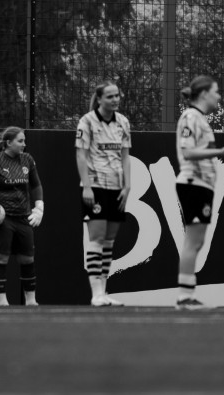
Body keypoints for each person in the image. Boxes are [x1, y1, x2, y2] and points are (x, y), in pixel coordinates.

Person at [175, 75, 224, 310]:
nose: (219, 96)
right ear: (203, 94)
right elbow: (188, 152)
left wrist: (219, 153)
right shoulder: (191, 117)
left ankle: (187, 295)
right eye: (216, 91)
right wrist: (218, 152)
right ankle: (184, 297)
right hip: (193, 183)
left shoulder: (199, 118)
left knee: (197, 241)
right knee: (193, 241)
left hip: (202, 185)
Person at [75, 81, 131, 306]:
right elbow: (81, 155)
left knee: (109, 241)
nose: (115, 100)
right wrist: (87, 186)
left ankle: (104, 292)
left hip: (117, 186)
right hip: (96, 185)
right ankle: (95, 293)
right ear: (99, 99)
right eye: (110, 96)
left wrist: (128, 186)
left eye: (117, 95)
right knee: (97, 239)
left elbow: (125, 156)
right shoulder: (87, 121)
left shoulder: (123, 122)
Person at [0, 126, 44, 306]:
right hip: (3, 220)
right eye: (20, 141)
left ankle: (31, 301)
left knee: (27, 259)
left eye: (24, 141)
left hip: (24, 217)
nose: (24, 144)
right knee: (1, 258)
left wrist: (39, 208)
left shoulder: (27, 159)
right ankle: (3, 302)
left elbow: (36, 186)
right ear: (8, 142)